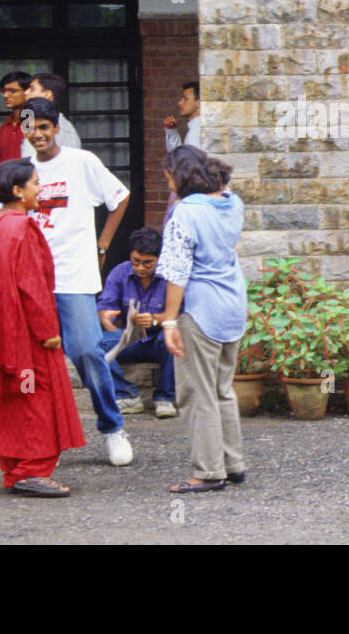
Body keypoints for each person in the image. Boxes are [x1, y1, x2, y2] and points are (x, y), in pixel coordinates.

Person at [0, 159, 85, 496]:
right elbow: (31, 287)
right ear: (17, 191)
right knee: (36, 395)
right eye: (34, 182)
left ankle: (14, 469)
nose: (39, 188)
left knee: (11, 397)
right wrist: (48, 331)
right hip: (24, 334)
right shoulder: (22, 228)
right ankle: (32, 470)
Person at [24, 96, 134, 466]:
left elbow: (119, 198)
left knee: (87, 349)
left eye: (44, 127)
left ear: (56, 128)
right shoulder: (20, 171)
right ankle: (38, 439)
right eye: (30, 127)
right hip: (31, 280)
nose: (37, 134)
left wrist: (104, 244)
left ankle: (112, 427)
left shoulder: (81, 162)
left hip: (73, 274)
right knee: (32, 362)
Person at [157, 145, 247, 493]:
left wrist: (168, 320)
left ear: (179, 175)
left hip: (201, 307)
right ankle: (233, 462)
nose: (168, 186)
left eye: (168, 178)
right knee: (223, 388)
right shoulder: (233, 203)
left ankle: (209, 472)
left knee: (198, 393)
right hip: (233, 303)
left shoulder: (185, 212)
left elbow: (178, 271)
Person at [97, 226, 177, 419]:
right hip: (128, 339)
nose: (141, 267)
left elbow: (181, 314)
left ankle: (164, 398)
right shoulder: (120, 273)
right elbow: (105, 306)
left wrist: (155, 319)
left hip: (159, 339)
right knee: (94, 345)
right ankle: (127, 395)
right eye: (136, 261)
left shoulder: (171, 275)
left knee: (173, 338)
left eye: (147, 263)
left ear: (159, 259)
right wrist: (105, 316)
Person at [21, 73, 82, 159]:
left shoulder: (62, 127)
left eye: (32, 89)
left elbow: (29, 159)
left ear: (47, 94)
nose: (25, 93)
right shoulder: (29, 117)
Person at [0, 70, 32, 165]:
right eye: (4, 91)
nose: (6, 95)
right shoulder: (5, 126)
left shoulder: (30, 121)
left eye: (13, 91)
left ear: (27, 92)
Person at [164, 81, 202, 153]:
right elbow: (179, 156)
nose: (180, 103)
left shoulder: (196, 133)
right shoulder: (196, 129)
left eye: (185, 99)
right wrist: (172, 131)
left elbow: (185, 161)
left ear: (198, 103)